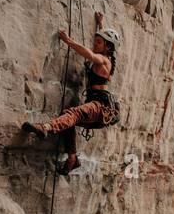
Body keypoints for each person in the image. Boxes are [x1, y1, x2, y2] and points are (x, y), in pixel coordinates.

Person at [22, 12, 120, 175]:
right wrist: (100, 24)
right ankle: (72, 159)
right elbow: (100, 47)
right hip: (99, 109)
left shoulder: (104, 60)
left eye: (98, 42)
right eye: (95, 41)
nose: (95, 44)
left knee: (73, 113)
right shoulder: (105, 56)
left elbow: (89, 54)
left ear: (108, 47)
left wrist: (68, 40)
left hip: (100, 106)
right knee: (68, 118)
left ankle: (46, 128)